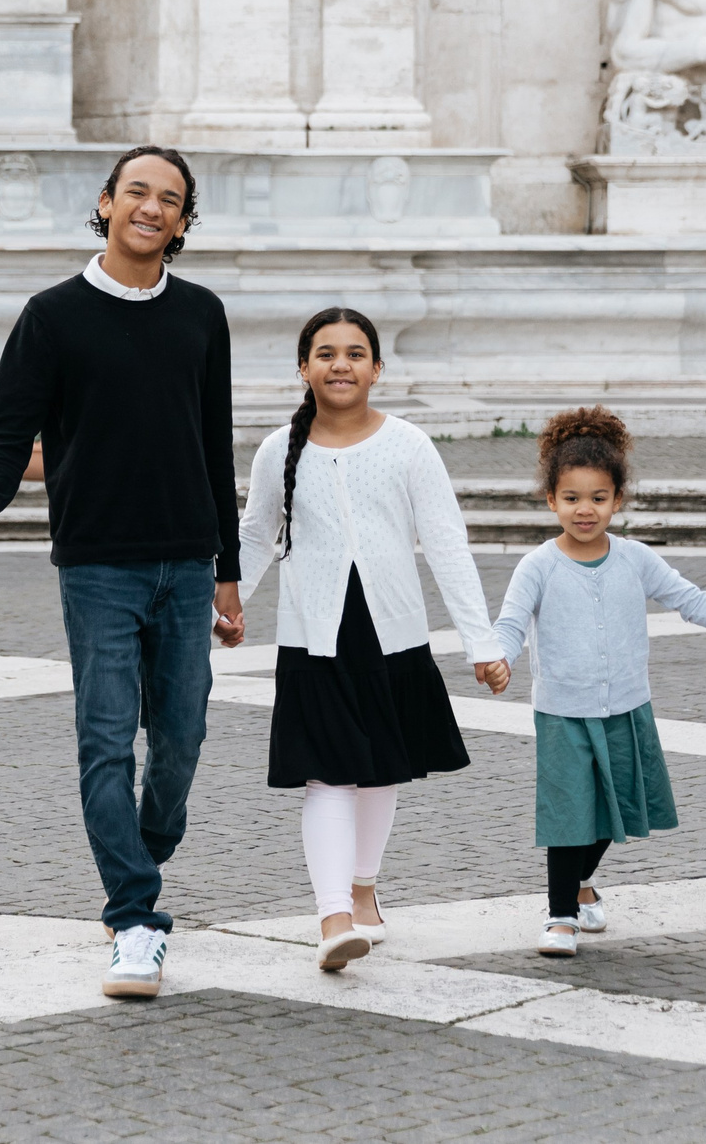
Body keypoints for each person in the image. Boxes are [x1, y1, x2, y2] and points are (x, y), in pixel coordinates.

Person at [0, 145, 241, 1001]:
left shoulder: (203, 315)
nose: (150, 206)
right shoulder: (52, 315)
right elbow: (1, 431)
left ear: (182, 222)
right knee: (106, 741)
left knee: (181, 740)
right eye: (135, 190)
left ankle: (143, 847)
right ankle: (135, 916)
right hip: (99, 564)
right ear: (104, 203)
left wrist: (228, 571)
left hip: (186, 562)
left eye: (169, 198)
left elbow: (212, 442)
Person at [236, 308, 508, 972]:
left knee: (381, 767)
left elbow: (445, 541)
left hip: (394, 632)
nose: (340, 364)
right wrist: (224, 608)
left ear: (377, 368)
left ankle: (363, 888)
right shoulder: (278, 450)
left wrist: (482, 638)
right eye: (325, 352)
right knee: (328, 772)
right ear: (303, 367)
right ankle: (333, 915)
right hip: (313, 637)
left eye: (355, 353)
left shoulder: (409, 444)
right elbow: (253, 536)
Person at [491, 407, 706, 959]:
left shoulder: (636, 559)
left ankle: (581, 882)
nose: (584, 509)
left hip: (625, 708)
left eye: (597, 497)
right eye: (571, 498)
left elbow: (688, 599)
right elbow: (511, 622)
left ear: (618, 500)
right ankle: (561, 916)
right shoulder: (537, 566)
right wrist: (498, 658)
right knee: (569, 813)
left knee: (612, 813)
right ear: (551, 501)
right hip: (563, 711)